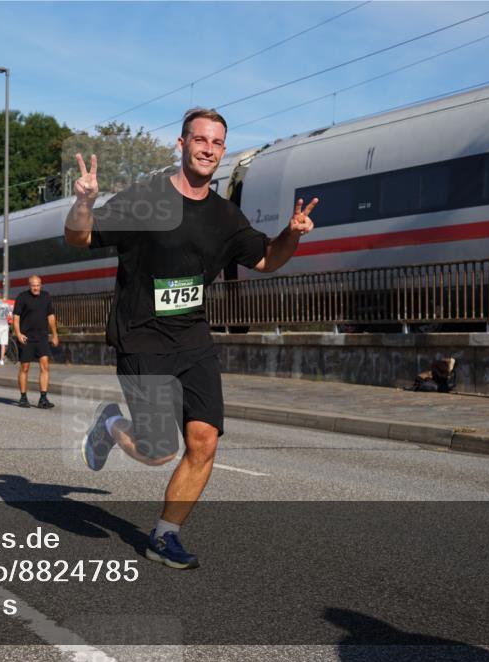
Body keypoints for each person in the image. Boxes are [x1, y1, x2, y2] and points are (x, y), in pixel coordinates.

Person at [64, 108, 316, 569]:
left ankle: (164, 536)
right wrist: (84, 203)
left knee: (204, 442)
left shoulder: (225, 216)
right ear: (181, 145)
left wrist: (291, 235)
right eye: (200, 140)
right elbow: (80, 238)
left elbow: (267, 261)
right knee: (159, 452)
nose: (208, 149)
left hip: (193, 341)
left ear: (223, 151)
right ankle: (109, 424)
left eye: (217, 143)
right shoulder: (147, 199)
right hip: (142, 338)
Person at [12, 275, 59, 408]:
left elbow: (51, 316)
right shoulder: (22, 297)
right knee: (25, 367)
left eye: (38, 285)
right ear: (29, 285)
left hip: (42, 337)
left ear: (41, 285)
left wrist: (55, 334)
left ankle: (43, 399)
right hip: (27, 338)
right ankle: (23, 397)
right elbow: (16, 317)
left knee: (45, 366)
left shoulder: (46, 296)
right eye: (33, 285)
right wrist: (18, 334)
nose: (36, 288)